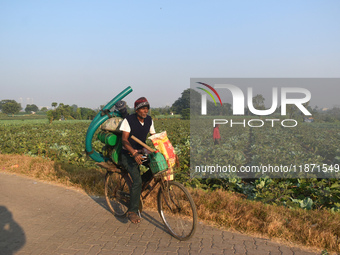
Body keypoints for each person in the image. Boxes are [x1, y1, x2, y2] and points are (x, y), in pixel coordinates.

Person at [119, 97, 155, 223]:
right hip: (128, 155)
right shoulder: (128, 120)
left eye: (147, 109)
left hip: (142, 153)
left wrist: (166, 149)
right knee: (137, 180)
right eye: (142, 109)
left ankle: (140, 186)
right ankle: (132, 211)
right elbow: (124, 139)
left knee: (156, 167)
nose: (145, 111)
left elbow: (154, 137)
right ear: (136, 109)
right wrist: (133, 153)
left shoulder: (149, 120)